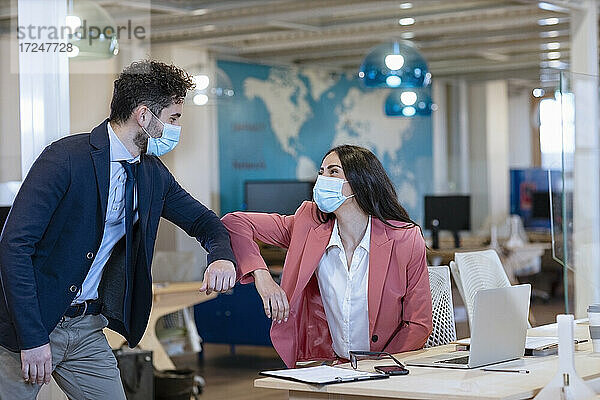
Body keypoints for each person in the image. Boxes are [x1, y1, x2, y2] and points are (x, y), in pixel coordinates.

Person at [0, 60, 237, 399]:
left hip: (86, 328)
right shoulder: (65, 158)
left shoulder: (153, 175)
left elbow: (206, 222)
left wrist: (221, 257)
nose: (175, 129)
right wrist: (32, 336)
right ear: (143, 115)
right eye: (172, 118)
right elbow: (14, 245)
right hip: (31, 324)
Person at [222, 145, 432, 368]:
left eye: (333, 172)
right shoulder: (308, 224)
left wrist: (377, 368)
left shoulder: (405, 239)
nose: (322, 179)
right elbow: (234, 222)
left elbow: (418, 323)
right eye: (321, 172)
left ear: (360, 182)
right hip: (333, 366)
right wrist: (262, 277)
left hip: (387, 368)